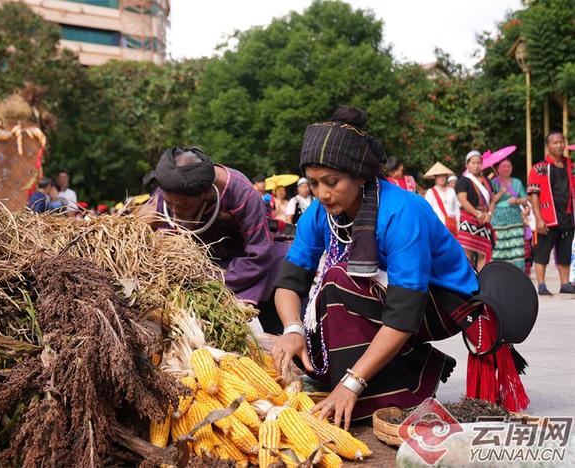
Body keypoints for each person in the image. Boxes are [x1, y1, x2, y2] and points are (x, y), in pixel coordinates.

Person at [270, 107, 531, 428]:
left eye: (332, 182)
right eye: (314, 182)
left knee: (337, 281)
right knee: (326, 292)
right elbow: (291, 280)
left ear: (360, 176)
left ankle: (398, 383)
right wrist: (293, 329)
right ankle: (370, 374)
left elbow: (403, 314)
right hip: (387, 296)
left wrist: (352, 383)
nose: (322, 193)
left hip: (442, 302)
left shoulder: (402, 211)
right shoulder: (318, 214)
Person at [143, 147, 289, 333]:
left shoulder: (242, 193)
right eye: (170, 204)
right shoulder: (166, 192)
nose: (176, 212)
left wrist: (211, 284)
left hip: (246, 266)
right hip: (204, 269)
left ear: (206, 192)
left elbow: (259, 252)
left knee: (273, 328)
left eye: (184, 205)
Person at [527, 131, 575, 295]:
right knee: (542, 251)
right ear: (548, 146)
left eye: (561, 141)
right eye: (555, 142)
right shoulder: (539, 168)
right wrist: (539, 219)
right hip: (547, 218)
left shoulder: (571, 165)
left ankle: (565, 284)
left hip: (567, 216)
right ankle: (541, 285)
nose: (559, 145)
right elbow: (533, 194)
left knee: (565, 252)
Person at [455, 150, 499, 272]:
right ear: (467, 164)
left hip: (484, 220)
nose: (476, 166)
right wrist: (477, 213)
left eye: (478, 163)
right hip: (469, 220)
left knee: (483, 255)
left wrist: (489, 214)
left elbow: (493, 200)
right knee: (467, 254)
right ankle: (468, 283)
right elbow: (463, 201)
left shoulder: (486, 181)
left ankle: (482, 281)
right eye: (473, 163)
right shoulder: (463, 181)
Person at [490, 158, 529, 271]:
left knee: (516, 244)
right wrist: (501, 192)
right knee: (499, 245)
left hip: (515, 217)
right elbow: (491, 201)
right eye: (503, 166)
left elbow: (525, 198)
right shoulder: (494, 183)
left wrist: (517, 201)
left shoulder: (517, 182)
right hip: (498, 218)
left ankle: (517, 271)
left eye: (509, 166)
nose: (506, 169)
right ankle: (499, 270)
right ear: (498, 168)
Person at [423, 162, 460, 236]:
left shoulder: (451, 190)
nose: (442, 178)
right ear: (435, 177)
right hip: (438, 227)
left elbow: (456, 208)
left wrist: (458, 224)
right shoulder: (431, 192)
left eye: (444, 176)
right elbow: (427, 211)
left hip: (453, 226)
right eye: (439, 176)